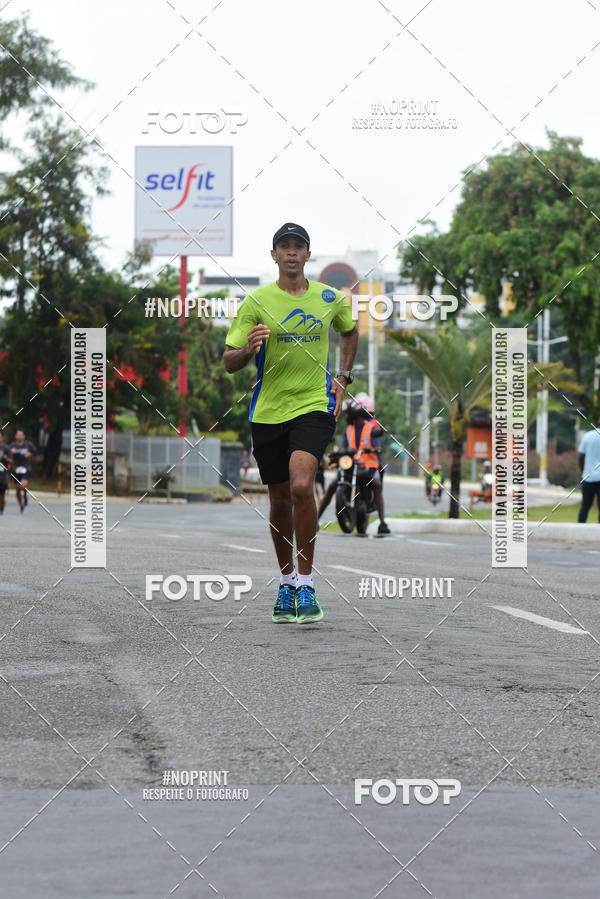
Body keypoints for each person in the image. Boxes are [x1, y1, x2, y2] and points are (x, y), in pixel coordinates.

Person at [223, 223, 358, 623]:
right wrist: (248, 348)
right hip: (267, 410)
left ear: (308, 255)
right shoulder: (256, 301)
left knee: (302, 484)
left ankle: (307, 583)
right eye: (285, 246)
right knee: (280, 498)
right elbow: (229, 362)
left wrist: (343, 376)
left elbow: (350, 332)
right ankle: (285, 583)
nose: (292, 253)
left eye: (299, 246)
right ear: (274, 255)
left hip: (313, 404)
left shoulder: (330, 298)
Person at [339, 394, 390, 534]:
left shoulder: (371, 427)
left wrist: (376, 449)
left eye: (349, 414)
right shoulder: (347, 430)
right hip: (351, 465)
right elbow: (343, 446)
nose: (347, 417)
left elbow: (378, 446)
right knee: (334, 484)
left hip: (369, 467)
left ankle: (382, 522)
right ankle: (318, 519)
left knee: (376, 485)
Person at [577, 417, 600, 523]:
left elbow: (581, 456)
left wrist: (583, 471)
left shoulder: (588, 436)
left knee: (585, 506)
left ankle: (579, 528)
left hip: (588, 477)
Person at [8, 429, 36, 513]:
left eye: (21, 435)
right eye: (18, 435)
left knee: (22, 486)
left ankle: (25, 495)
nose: (19, 436)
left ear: (24, 436)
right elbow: (7, 454)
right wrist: (11, 452)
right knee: (17, 490)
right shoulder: (12, 445)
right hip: (16, 469)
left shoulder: (28, 445)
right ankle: (21, 504)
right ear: (15, 436)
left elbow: (35, 452)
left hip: (25, 468)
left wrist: (30, 454)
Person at [0, 432, 12, 514]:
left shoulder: (6, 448)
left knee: (1, 497)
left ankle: (2, 506)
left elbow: (11, 462)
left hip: (2, 476)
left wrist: (3, 456)